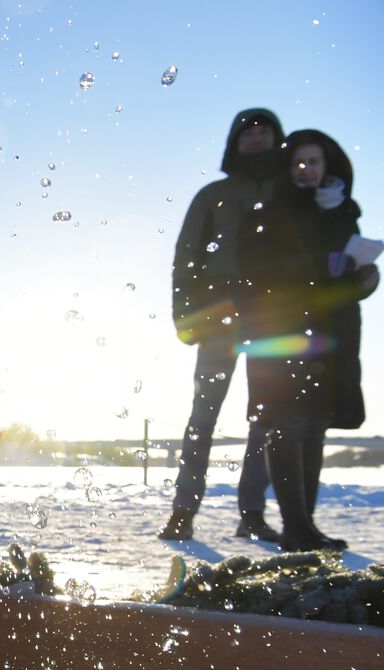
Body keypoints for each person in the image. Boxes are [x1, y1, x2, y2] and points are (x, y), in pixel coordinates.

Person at [238, 129, 378, 552]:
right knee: (286, 423)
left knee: (315, 426)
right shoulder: (272, 211)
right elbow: (261, 271)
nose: (307, 169)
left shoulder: (342, 213)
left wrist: (364, 279)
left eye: (314, 161)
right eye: (299, 162)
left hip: (332, 333)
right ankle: (294, 526)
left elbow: (347, 274)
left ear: (328, 164)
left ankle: (306, 526)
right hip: (282, 331)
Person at [159, 109, 283, 542]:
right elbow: (186, 257)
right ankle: (183, 510)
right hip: (219, 320)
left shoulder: (291, 195)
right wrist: (184, 317)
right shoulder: (212, 196)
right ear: (233, 141)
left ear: (277, 138)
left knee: (266, 418)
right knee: (202, 416)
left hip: (272, 319)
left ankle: (252, 513)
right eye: (247, 131)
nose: (256, 137)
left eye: (264, 130)